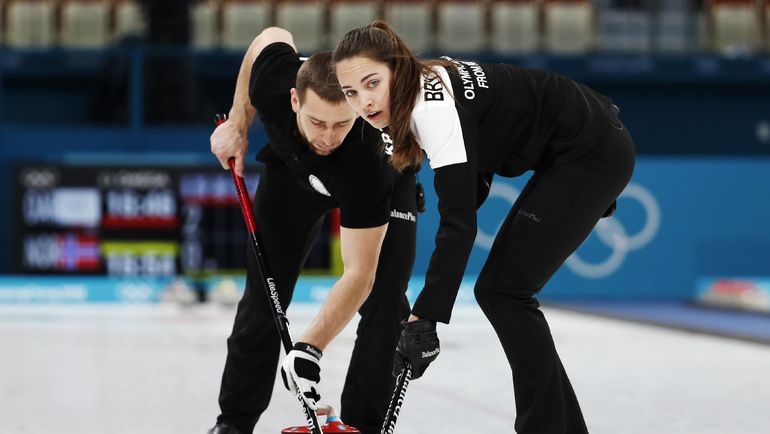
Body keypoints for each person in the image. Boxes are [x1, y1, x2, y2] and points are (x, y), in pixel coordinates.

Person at [333, 21, 635, 434]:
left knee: (504, 292)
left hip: (592, 152)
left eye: (372, 83)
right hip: (570, 148)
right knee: (501, 291)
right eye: (351, 93)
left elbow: (459, 226)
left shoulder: (430, 109)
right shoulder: (410, 96)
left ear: (397, 69)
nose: (364, 102)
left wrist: (425, 317)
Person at [208, 27, 418, 434]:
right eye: (317, 121)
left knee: (386, 299)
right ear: (293, 99)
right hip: (292, 178)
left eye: (339, 124)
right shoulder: (273, 85)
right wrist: (238, 123)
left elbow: (360, 274)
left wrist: (309, 348)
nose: (326, 137)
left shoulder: (367, 154)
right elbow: (267, 37)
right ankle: (233, 422)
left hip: (384, 183)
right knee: (263, 301)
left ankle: (363, 426)